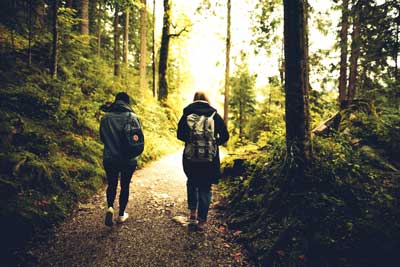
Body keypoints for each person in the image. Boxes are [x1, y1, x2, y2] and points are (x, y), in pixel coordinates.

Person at [177, 91, 229, 231]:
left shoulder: (187, 115)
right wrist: (214, 143)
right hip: (209, 159)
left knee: (192, 182)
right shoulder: (214, 115)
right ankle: (202, 221)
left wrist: (191, 140)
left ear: (194, 100)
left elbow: (179, 135)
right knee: (205, 187)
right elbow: (225, 136)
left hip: (190, 158)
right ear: (207, 100)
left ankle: (192, 213)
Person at [100, 92, 142, 227]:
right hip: (128, 159)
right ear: (127, 102)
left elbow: (102, 138)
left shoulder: (106, 118)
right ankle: (121, 214)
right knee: (125, 185)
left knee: (112, 184)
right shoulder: (133, 117)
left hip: (110, 158)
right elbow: (139, 139)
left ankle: (110, 207)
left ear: (116, 101)